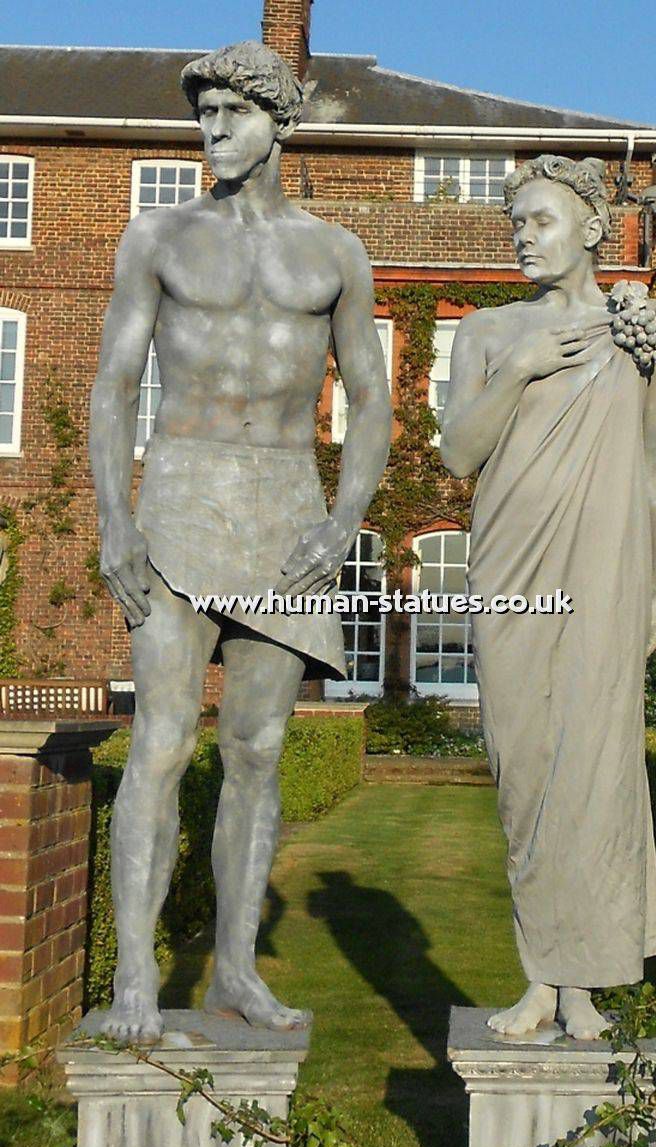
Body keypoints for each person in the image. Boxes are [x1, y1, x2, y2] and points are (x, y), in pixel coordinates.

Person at [89, 40, 391, 1042]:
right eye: (204, 114)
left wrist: (345, 520)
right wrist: (115, 518)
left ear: (280, 123)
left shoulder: (336, 253)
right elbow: (113, 386)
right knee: (163, 742)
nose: (213, 130)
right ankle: (136, 976)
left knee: (258, 751)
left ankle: (233, 971)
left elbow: (372, 400)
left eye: (233, 113)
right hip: (181, 497)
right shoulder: (159, 235)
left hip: (286, 512)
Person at [440, 156, 656, 1039]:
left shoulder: (638, 334)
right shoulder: (488, 332)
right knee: (526, 768)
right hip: (510, 575)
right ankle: (541, 974)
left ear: (591, 228)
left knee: (597, 772)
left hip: (604, 575)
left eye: (540, 221)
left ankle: (579, 984)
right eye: (517, 224)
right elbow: (457, 454)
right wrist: (519, 369)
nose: (523, 238)